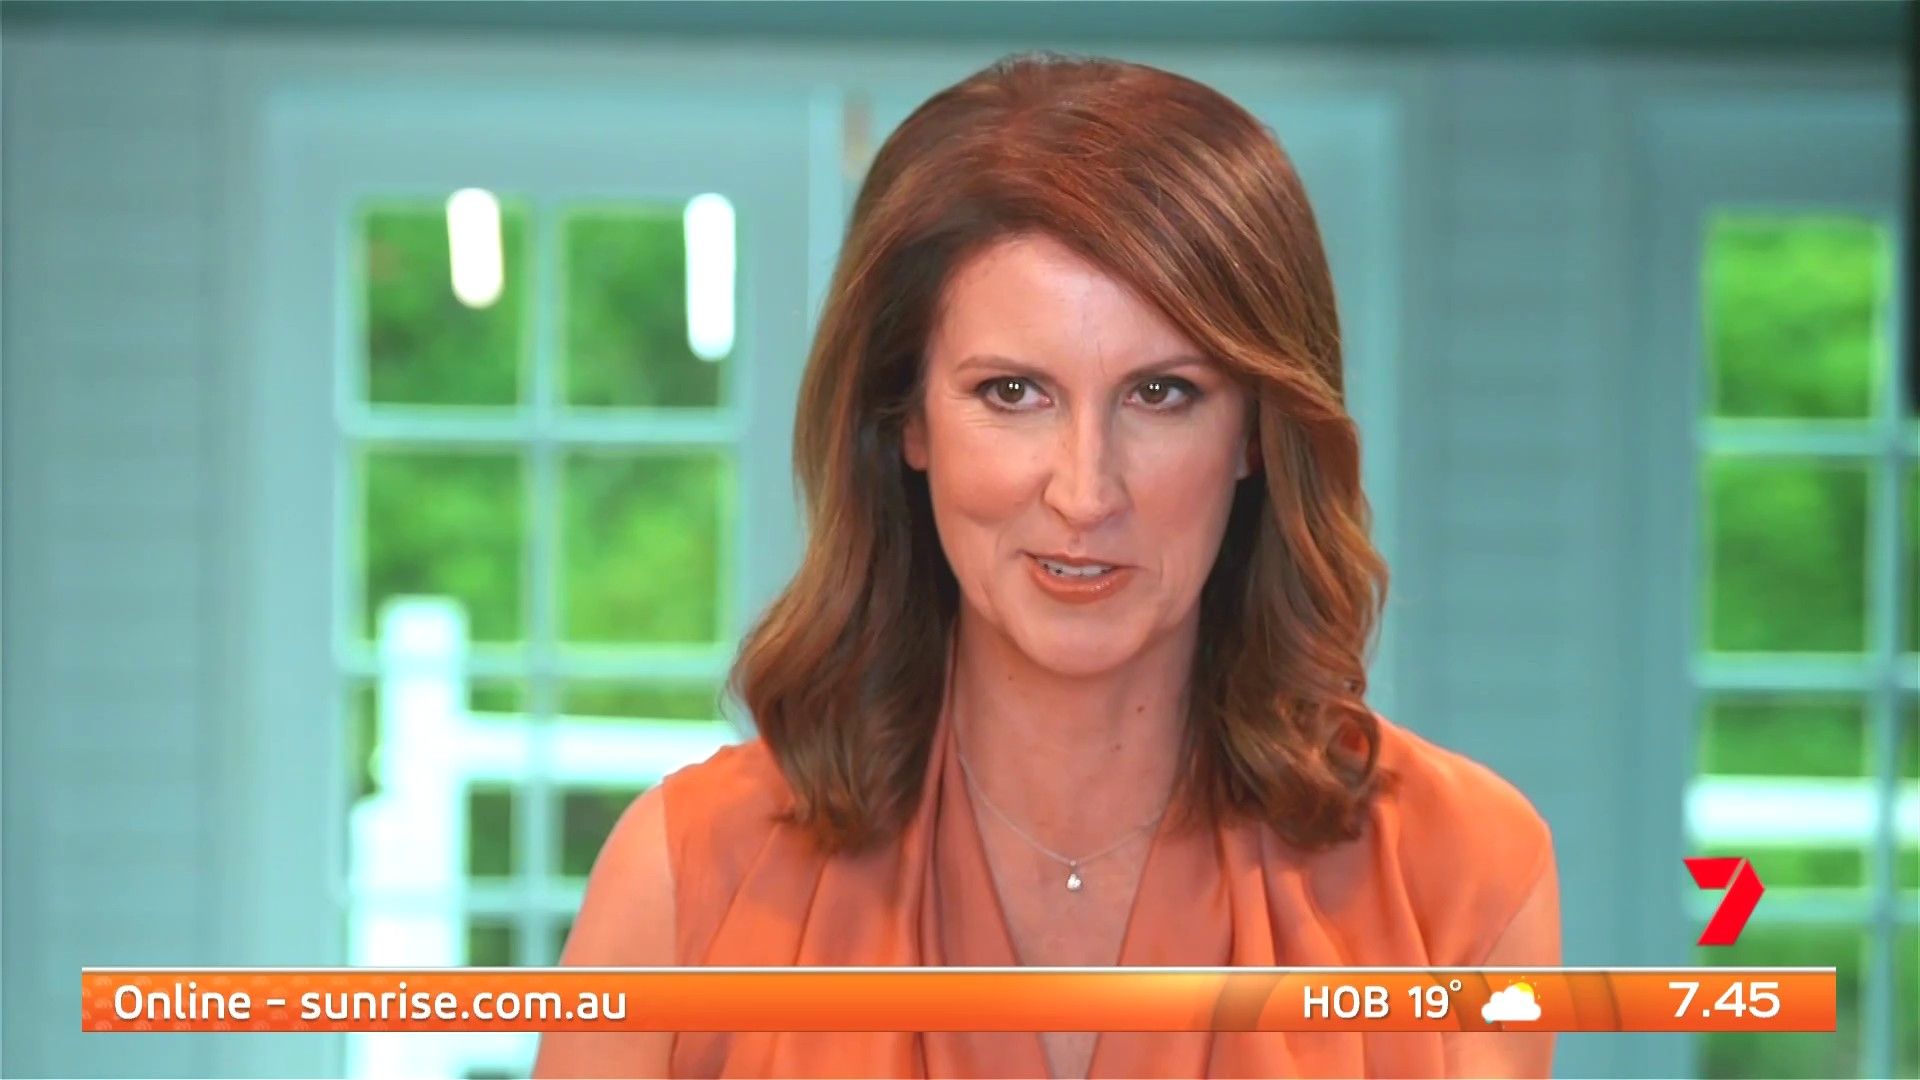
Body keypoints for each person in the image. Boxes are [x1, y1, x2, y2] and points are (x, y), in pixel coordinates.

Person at [535, 52, 1559, 1079]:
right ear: (906, 420)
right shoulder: (684, 881)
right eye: (1013, 393)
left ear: (1257, 432)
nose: (1085, 493)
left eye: (1161, 394)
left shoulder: (1460, 874)